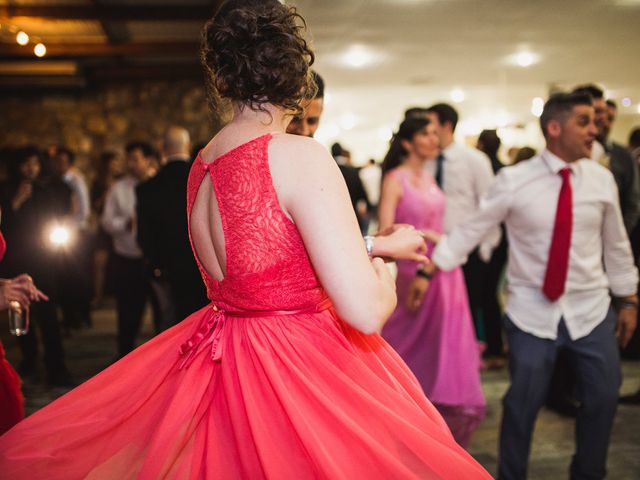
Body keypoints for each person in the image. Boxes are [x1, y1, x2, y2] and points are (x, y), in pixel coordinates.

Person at [0, 2, 491, 478]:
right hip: (296, 367)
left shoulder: (203, 164)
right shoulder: (301, 155)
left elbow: (273, 259)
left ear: (220, 78)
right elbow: (364, 311)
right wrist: (382, 270)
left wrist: (369, 246)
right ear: (297, 78)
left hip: (225, 356)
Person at [428, 92, 638, 479]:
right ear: (555, 128)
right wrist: (431, 270)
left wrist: (628, 299)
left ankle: (588, 474)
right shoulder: (514, 179)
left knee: (604, 398)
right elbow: (474, 228)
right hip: (530, 312)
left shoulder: (601, 180)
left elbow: (617, 244)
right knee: (522, 404)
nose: (596, 129)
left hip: (591, 310)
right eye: (584, 121)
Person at [378, 117, 486, 448]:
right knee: (409, 339)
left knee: (445, 339)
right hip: (415, 268)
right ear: (408, 142)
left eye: (434, 133)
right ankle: (407, 404)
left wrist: (441, 238)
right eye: (425, 133)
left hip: (444, 268)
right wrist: (423, 235)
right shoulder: (395, 179)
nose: (433, 138)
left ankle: (440, 414)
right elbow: (385, 232)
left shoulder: (429, 177)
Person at [424, 103, 500, 341]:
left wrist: (486, 247)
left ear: (447, 125)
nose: (429, 131)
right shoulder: (426, 162)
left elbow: (490, 205)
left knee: (470, 307)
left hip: (470, 248)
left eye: (432, 124)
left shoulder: (474, 160)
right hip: (435, 249)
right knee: (441, 312)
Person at [0, 147, 73, 387]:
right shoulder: (7, 191)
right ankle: (29, 361)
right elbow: (6, 228)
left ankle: (56, 366)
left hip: (43, 261)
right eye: (25, 164)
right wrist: (15, 203)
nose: (31, 168)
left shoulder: (46, 190)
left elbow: (57, 216)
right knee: (20, 315)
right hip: (17, 261)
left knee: (49, 316)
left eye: (34, 163)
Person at [136, 126, 208, 326]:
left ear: (163, 149)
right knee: (203, 324)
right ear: (187, 146)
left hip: (167, 271)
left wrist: (156, 265)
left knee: (169, 325)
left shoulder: (147, 188)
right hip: (202, 267)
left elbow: (143, 236)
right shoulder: (204, 179)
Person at [101, 142, 154, 357]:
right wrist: (124, 224)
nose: (131, 164)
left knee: (161, 314)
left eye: (136, 159)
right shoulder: (119, 188)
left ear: (148, 160)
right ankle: (124, 355)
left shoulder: (156, 185)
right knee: (126, 312)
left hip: (152, 259)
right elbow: (106, 221)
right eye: (129, 159)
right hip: (126, 256)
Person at [52, 147, 93, 330]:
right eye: (57, 161)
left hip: (76, 233)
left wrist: (68, 224)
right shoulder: (55, 182)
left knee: (78, 275)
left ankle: (82, 314)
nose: (60, 165)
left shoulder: (76, 180)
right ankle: (70, 315)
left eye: (63, 161)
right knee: (64, 276)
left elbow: (84, 211)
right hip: (61, 233)